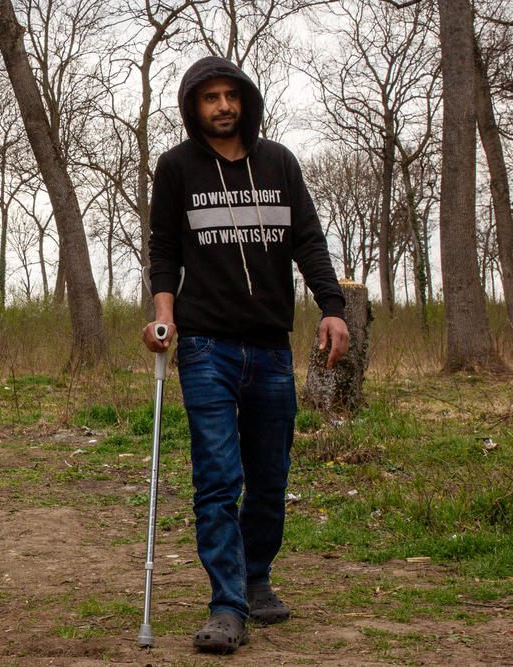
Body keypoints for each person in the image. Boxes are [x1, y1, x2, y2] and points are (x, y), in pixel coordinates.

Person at [142, 56, 349, 654]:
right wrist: (164, 315)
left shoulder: (280, 163)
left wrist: (331, 306)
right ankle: (227, 604)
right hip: (205, 345)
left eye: (232, 95)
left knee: (268, 478)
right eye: (210, 98)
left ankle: (255, 577)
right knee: (217, 479)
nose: (223, 106)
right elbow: (163, 249)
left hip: (271, 348)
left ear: (246, 101)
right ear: (193, 106)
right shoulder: (176, 168)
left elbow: (308, 239)